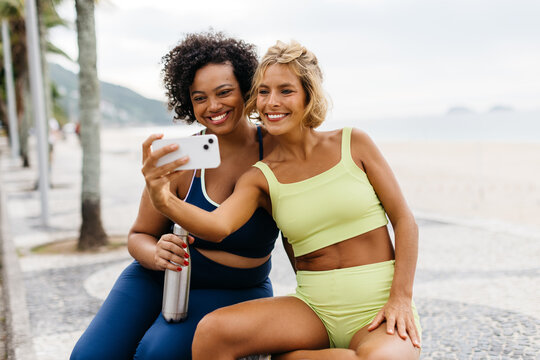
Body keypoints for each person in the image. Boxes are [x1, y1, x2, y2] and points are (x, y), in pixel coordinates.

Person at [142, 40, 422, 360]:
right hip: (313, 309)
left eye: (285, 91)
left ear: (308, 95)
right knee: (212, 332)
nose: (272, 102)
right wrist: (163, 199)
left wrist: (401, 298)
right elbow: (217, 226)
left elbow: (404, 221)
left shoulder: (354, 144)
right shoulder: (260, 176)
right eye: (263, 91)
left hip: (379, 306)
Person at [70, 32, 282, 360]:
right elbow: (139, 234)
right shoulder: (180, 158)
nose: (213, 107)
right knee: (89, 356)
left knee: (157, 353)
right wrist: (155, 253)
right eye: (200, 98)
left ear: (246, 89)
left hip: (237, 288)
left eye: (224, 92)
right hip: (161, 275)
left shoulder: (277, 153)